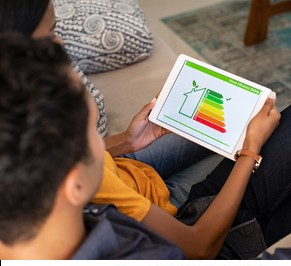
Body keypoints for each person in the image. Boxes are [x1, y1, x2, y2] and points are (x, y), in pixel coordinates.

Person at [2, 1, 291, 260]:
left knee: (256, 115)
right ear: (73, 183)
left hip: (161, 200)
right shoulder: (139, 255)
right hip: (198, 226)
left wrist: (122, 143)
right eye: (92, 134)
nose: (102, 148)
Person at [0, 0, 223, 210]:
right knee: (242, 149)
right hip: (152, 197)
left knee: (226, 127)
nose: (61, 42)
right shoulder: (32, 132)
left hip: (123, 169)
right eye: (49, 35)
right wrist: (250, 155)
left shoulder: (34, 111)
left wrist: (127, 141)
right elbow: (195, 243)